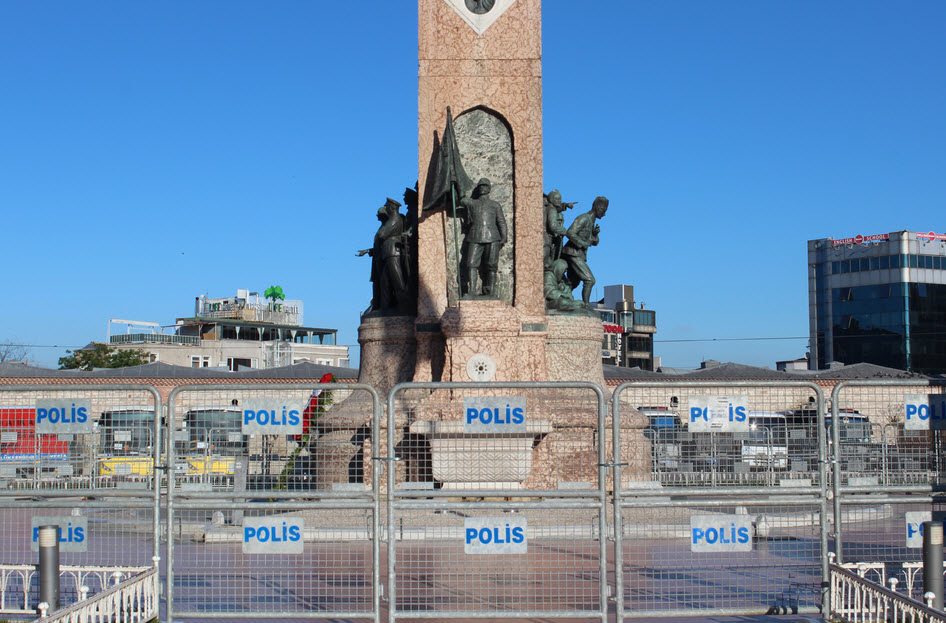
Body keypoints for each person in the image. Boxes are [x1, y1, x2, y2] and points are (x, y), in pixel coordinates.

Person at [356, 198, 408, 311]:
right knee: (385, 282)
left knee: (397, 281)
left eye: (387, 207)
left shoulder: (395, 219)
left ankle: (404, 306)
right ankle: (384, 308)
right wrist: (368, 251)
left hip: (393, 252)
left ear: (391, 208)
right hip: (388, 252)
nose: (386, 209)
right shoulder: (392, 220)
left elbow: (382, 235)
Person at [458, 178, 507, 297]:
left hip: (492, 237)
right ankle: (472, 291)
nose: (483, 188)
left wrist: (504, 236)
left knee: (492, 265)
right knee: (471, 263)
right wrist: (457, 184)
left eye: (485, 186)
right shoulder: (472, 203)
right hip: (475, 236)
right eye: (481, 186)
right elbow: (460, 200)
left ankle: (491, 292)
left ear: (489, 189)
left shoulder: (495, 205)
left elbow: (501, 222)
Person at [562, 196, 609, 306]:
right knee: (590, 280)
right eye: (603, 210)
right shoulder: (584, 218)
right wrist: (581, 244)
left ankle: (564, 298)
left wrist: (595, 235)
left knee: (574, 281)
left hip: (579, 254)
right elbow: (570, 232)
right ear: (597, 207)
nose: (604, 214)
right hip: (572, 253)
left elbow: (594, 242)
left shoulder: (592, 222)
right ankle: (586, 305)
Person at [543, 189, 574, 270]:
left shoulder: (548, 208)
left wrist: (565, 205)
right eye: (557, 199)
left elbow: (559, 207)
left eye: (560, 199)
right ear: (551, 199)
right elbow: (553, 226)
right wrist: (565, 232)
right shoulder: (552, 210)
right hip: (546, 240)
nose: (560, 201)